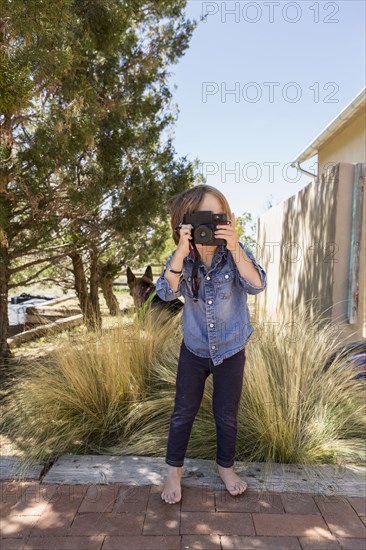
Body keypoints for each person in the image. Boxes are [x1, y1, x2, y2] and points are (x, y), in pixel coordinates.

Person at [155, 184, 267, 504]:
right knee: (183, 412)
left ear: (228, 219)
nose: (211, 224)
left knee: (226, 413)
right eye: (203, 216)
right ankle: (173, 473)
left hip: (231, 348)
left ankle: (226, 468)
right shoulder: (183, 258)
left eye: (219, 216)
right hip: (193, 349)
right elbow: (165, 292)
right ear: (184, 222)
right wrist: (180, 249)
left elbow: (257, 284)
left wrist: (235, 249)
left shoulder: (235, 253)